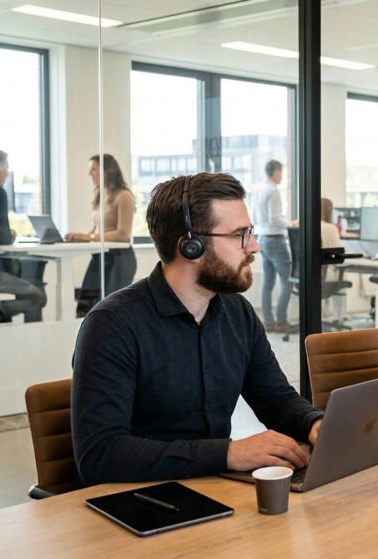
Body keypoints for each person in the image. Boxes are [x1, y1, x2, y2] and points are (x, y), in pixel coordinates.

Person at [71, 172, 323, 485]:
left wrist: (315, 423)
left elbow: (276, 399)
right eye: (239, 235)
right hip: (139, 505)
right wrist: (229, 454)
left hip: (215, 491)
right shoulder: (112, 325)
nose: (254, 247)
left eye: (251, 233)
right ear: (191, 246)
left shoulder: (237, 313)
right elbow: (100, 455)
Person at [66, 154, 137, 316]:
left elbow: (123, 234)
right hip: (100, 257)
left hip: (119, 259)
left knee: (110, 311)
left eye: (93, 169)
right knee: (85, 307)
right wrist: (81, 235)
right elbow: (97, 230)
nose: (90, 174)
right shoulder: (101, 196)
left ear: (107, 171)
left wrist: (90, 237)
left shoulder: (124, 196)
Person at [0, 147, 46, 322]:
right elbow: (4, 238)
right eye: (6, 168)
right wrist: (7, 234)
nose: (7, 174)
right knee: (38, 296)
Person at [250, 159, 294, 332]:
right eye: (281, 172)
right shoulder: (273, 191)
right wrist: (291, 223)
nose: (282, 176)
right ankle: (281, 321)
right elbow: (274, 218)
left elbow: (255, 216)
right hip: (275, 239)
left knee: (268, 283)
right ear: (276, 172)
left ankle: (268, 321)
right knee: (287, 280)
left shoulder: (258, 190)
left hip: (262, 238)